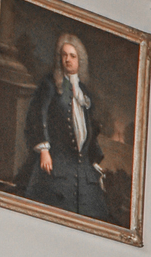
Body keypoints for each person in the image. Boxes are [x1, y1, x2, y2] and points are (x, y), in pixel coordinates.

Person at [23, 33, 109, 221]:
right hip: (57, 162)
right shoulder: (50, 85)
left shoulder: (84, 93)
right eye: (64, 55)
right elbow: (38, 115)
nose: (68, 59)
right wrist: (44, 149)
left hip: (82, 167)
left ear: (80, 61)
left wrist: (93, 159)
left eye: (72, 56)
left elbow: (90, 131)